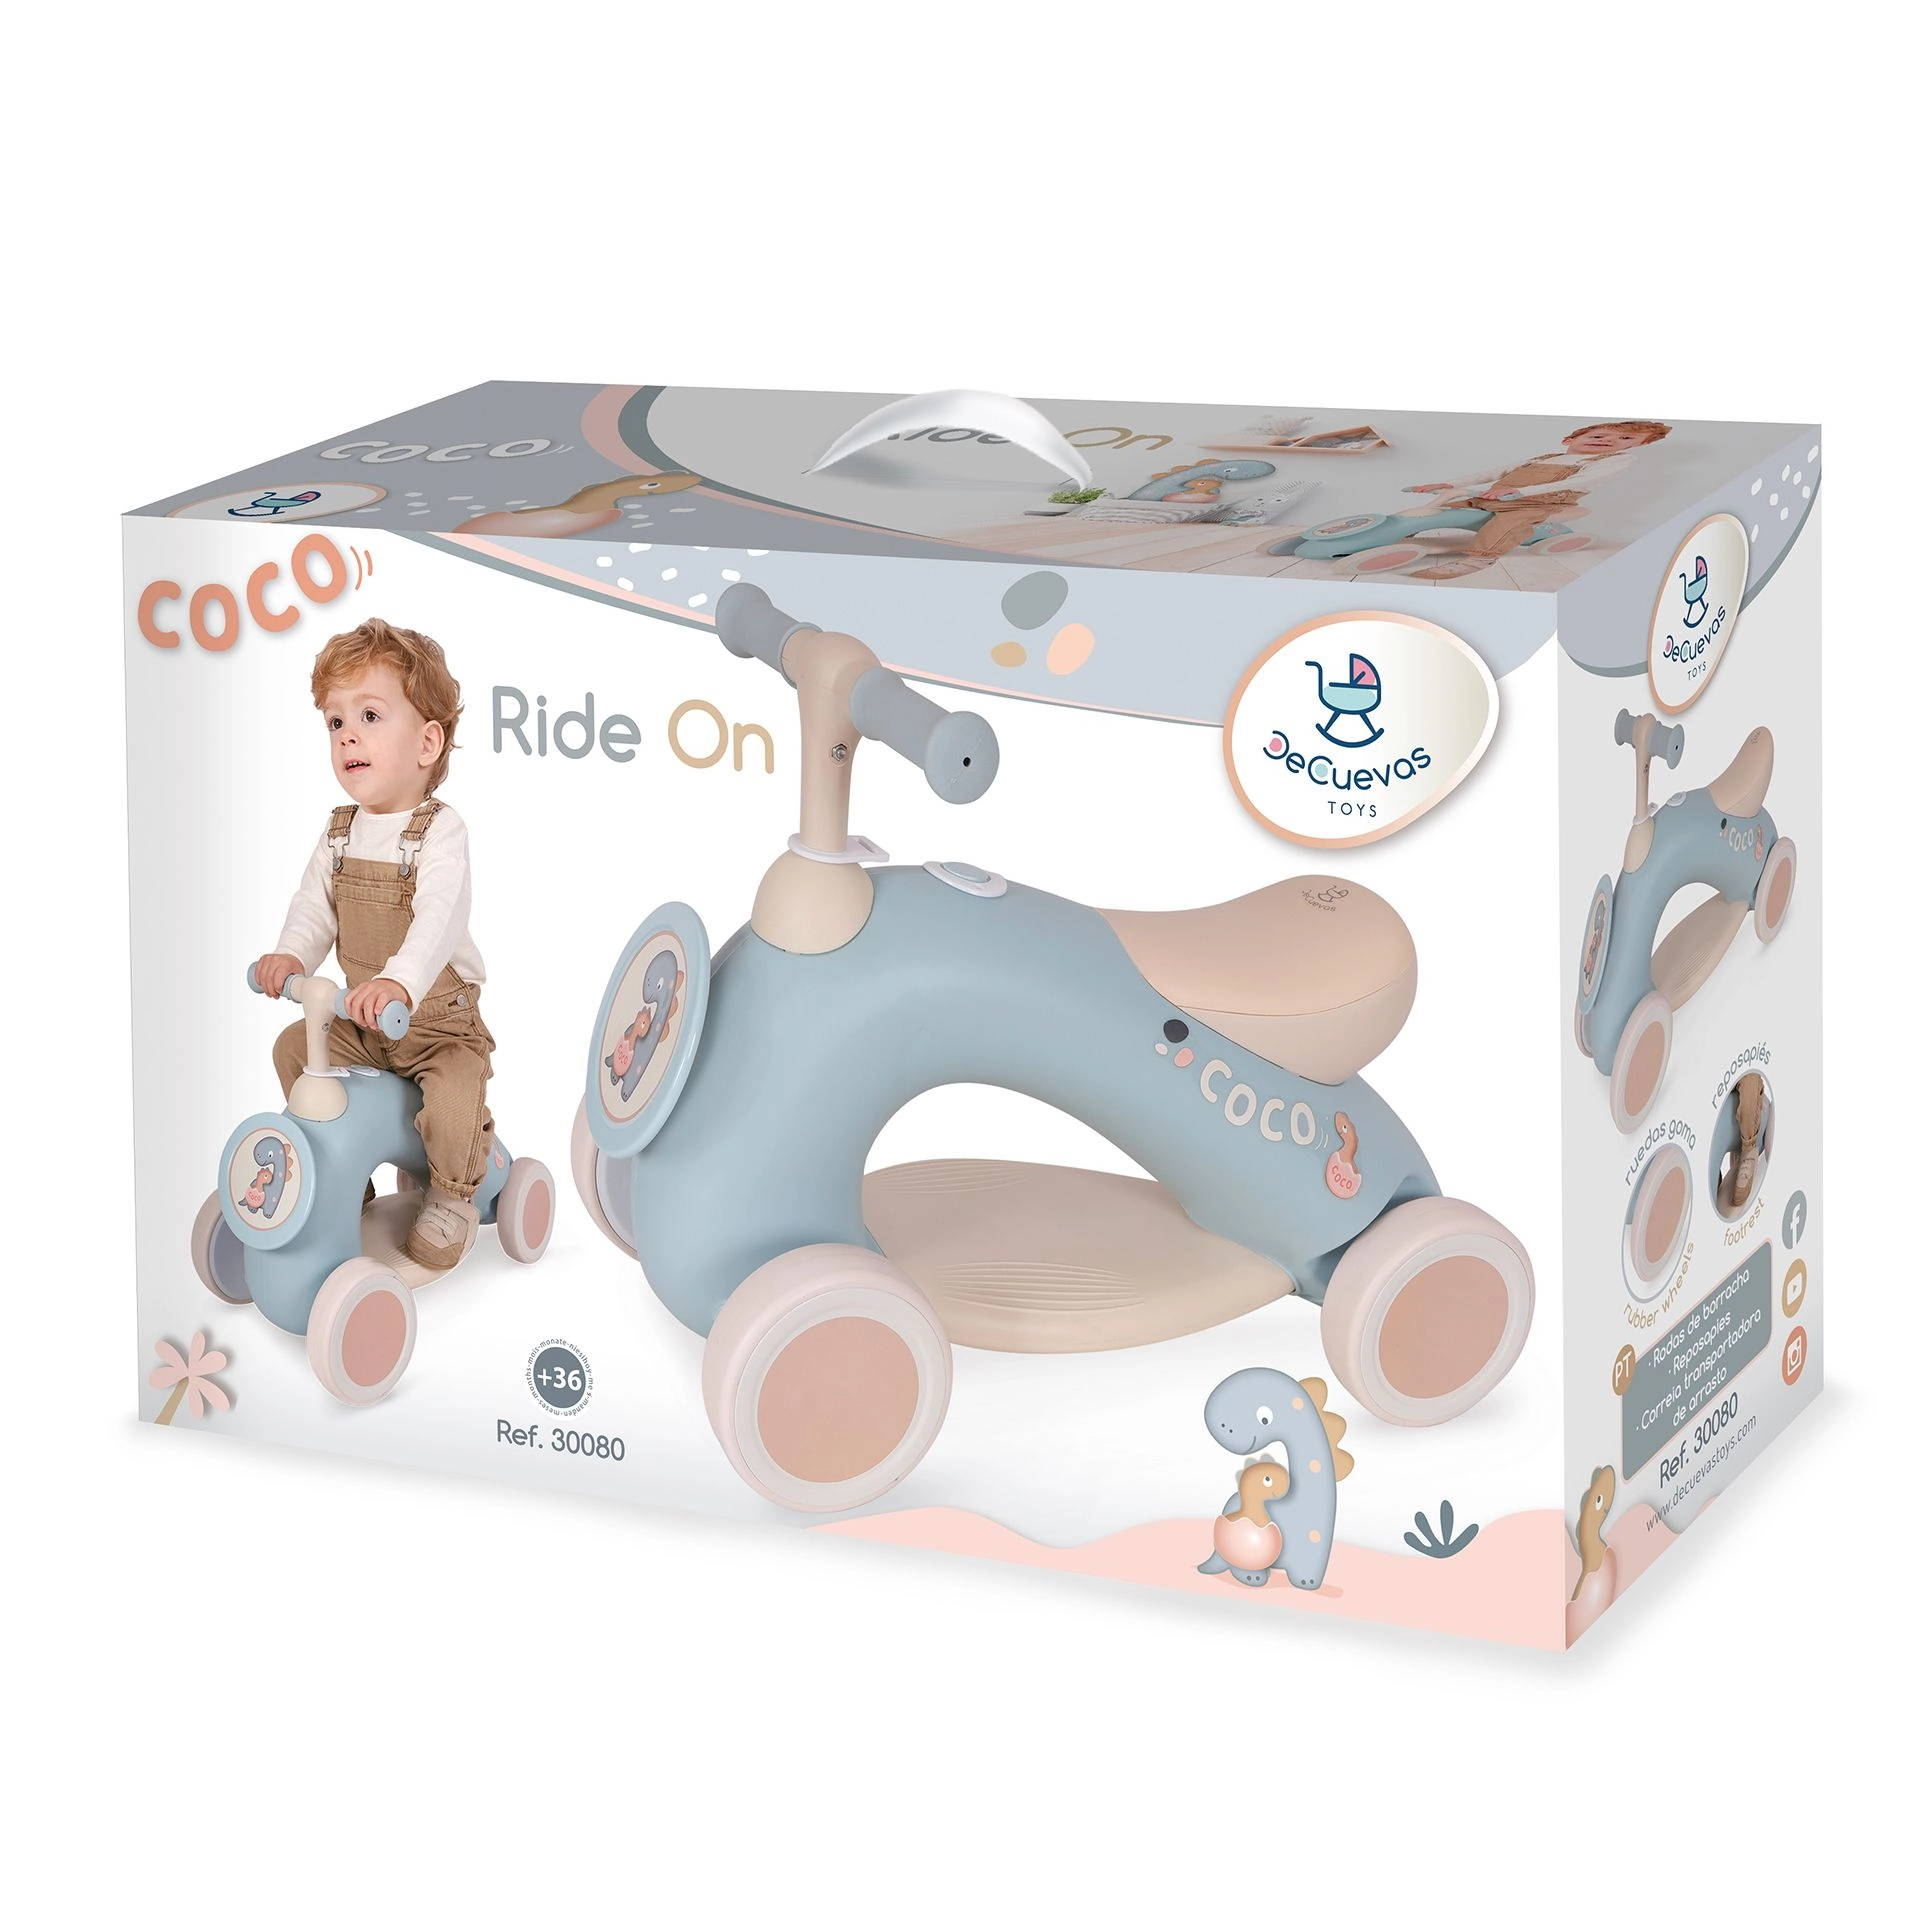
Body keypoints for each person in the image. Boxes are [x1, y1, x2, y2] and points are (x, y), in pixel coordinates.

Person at [253, 618, 495, 1270]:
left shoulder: (440, 832)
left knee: (453, 1094)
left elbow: (438, 919)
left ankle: (452, 1194)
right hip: (365, 1021)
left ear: (427, 742)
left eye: (368, 716)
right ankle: (340, 1173)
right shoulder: (340, 832)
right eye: (335, 722)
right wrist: (292, 955)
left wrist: (399, 982)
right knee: (293, 1049)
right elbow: (314, 907)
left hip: (436, 1023)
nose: (347, 735)